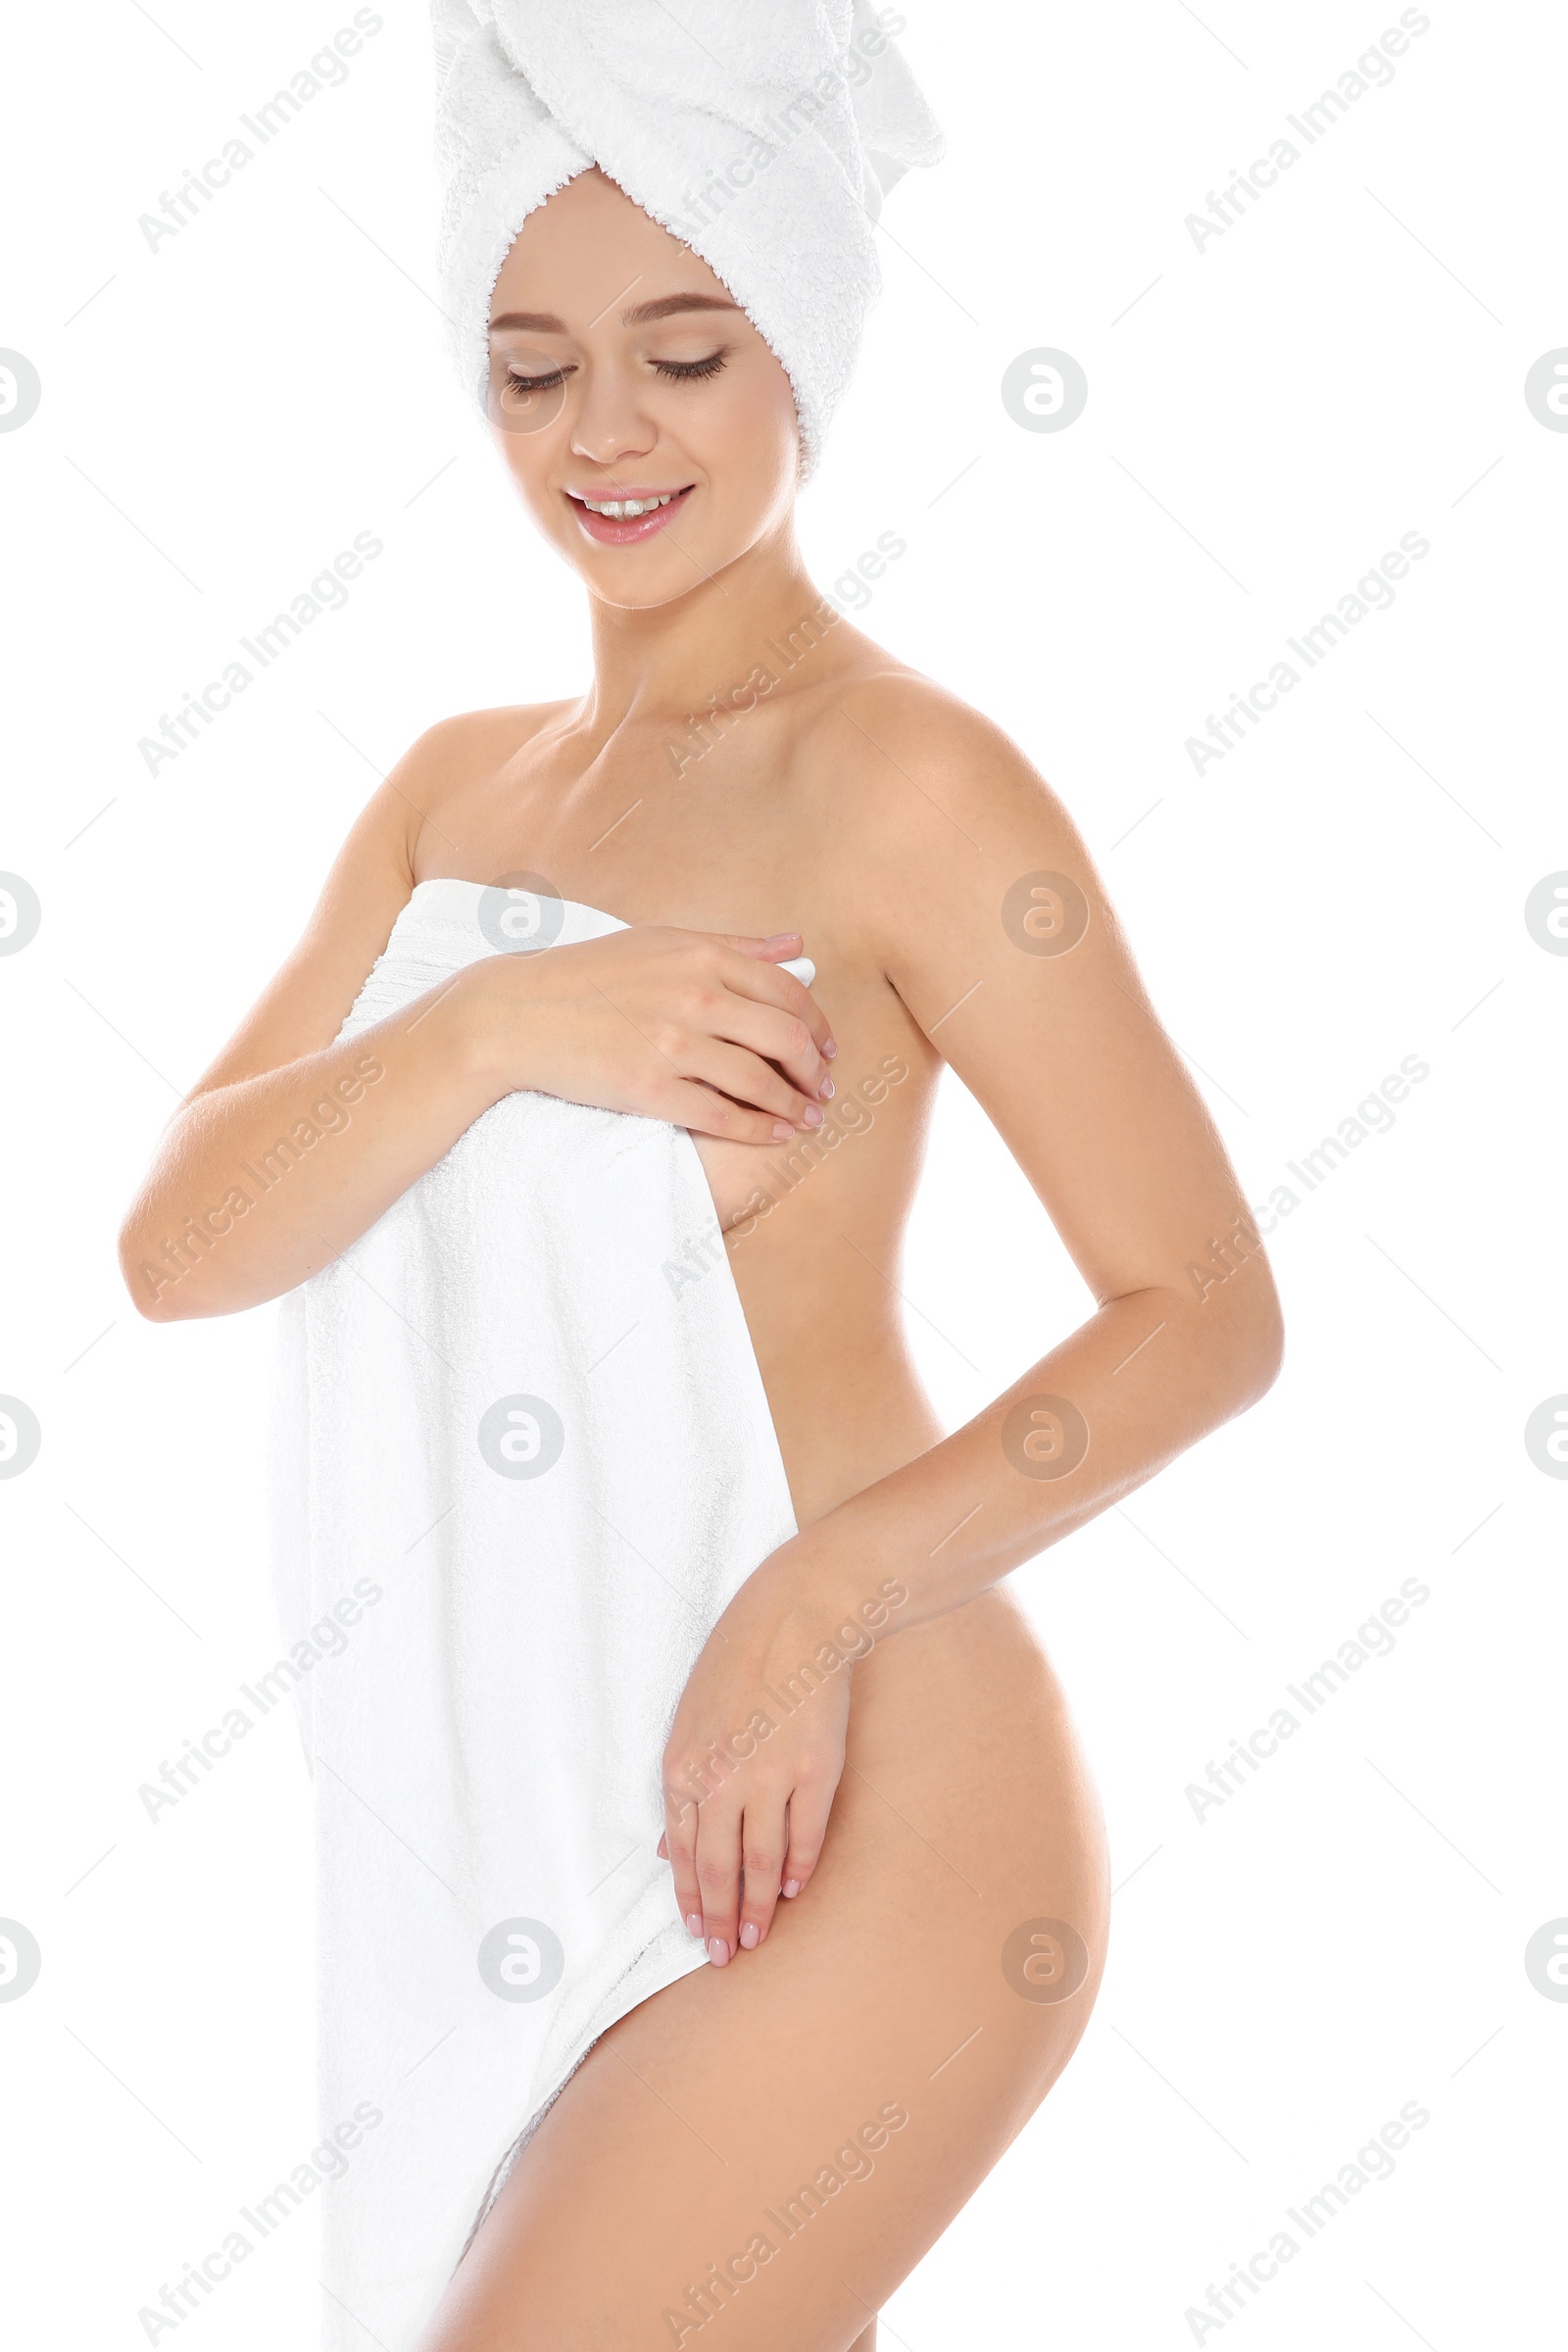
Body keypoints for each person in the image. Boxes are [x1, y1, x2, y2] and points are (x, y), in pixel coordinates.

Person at [119, 9, 1283, 2346]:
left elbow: (1203, 1309)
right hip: (536, 1793)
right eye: (533, 368)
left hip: (852, 1784)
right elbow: (182, 1242)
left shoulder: (912, 787)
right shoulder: (454, 798)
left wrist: (807, 1606)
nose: (604, 434)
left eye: (682, 350)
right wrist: (497, 1022)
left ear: (800, 360)